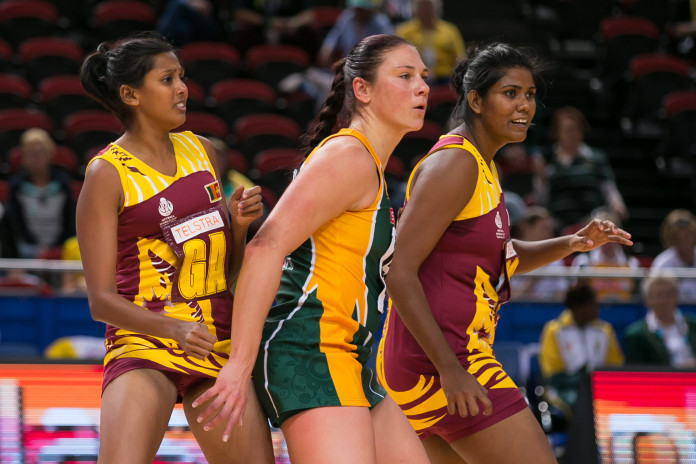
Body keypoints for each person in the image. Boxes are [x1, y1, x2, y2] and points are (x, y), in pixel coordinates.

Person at [375, 42, 633, 464]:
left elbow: (501, 256)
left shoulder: (480, 165)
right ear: (475, 100)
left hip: (433, 359)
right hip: (443, 359)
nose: (525, 106)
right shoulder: (455, 164)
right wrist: (450, 370)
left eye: (530, 95)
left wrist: (572, 243)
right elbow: (399, 272)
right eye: (510, 93)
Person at [194, 34, 432, 464]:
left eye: (423, 77)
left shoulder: (365, 163)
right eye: (404, 75)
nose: (422, 87)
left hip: (349, 351)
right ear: (362, 90)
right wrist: (239, 365)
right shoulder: (349, 157)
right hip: (308, 346)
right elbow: (265, 246)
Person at [76, 32, 274, 463]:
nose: (183, 88)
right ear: (130, 94)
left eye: (181, 77)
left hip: (216, 342)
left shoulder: (203, 151)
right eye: (167, 79)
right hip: (146, 344)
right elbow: (100, 301)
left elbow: (228, 274)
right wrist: (174, 329)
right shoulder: (106, 173)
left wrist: (237, 227)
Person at [532, 106, 628, 231]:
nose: (573, 134)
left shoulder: (595, 158)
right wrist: (541, 178)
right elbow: (541, 201)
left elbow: (609, 188)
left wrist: (617, 204)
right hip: (558, 221)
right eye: (568, 130)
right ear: (557, 133)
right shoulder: (547, 159)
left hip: (591, 218)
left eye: (577, 129)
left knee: (605, 221)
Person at [538, 283, 624, 412]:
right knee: (580, 404)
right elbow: (552, 373)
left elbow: (615, 365)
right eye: (592, 305)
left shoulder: (605, 330)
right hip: (566, 389)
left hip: (600, 388)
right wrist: (580, 378)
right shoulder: (554, 330)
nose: (597, 308)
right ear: (577, 307)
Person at [6, 128, 75, 259]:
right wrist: (36, 247)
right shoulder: (15, 186)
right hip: (27, 248)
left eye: (40, 153)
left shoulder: (63, 183)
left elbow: (69, 219)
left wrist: (58, 247)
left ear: (50, 154)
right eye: (31, 154)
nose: (36, 159)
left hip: (60, 245)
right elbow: (16, 225)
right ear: (24, 157)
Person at [624, 270, 696, 368]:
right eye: (659, 295)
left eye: (669, 294)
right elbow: (637, 373)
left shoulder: (693, 324)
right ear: (648, 300)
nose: (664, 300)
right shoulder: (636, 334)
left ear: (676, 297)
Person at [571, 208, 641, 302]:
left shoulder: (632, 263)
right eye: (600, 233)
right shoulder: (583, 263)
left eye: (610, 232)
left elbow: (637, 298)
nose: (606, 238)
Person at [395, 0, 465, 85]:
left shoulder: (449, 30)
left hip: (445, 79)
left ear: (436, 9)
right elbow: (397, 59)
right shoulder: (404, 31)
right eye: (422, 7)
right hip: (414, 78)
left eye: (428, 7)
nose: (426, 10)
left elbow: (459, 57)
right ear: (415, 9)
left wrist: (456, 78)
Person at [510, 206, 569, 301]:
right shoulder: (510, 256)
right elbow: (509, 299)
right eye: (544, 228)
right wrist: (534, 276)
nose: (548, 233)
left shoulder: (555, 258)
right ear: (527, 228)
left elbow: (561, 296)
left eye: (549, 229)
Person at [317, 0, 394, 67]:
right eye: (357, 9)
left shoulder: (381, 23)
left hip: (373, 67)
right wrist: (326, 50)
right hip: (349, 67)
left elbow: (390, 48)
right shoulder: (347, 17)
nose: (359, 12)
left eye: (362, 10)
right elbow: (333, 37)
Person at [651, 208, 696, 302]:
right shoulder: (661, 263)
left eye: (687, 236)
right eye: (677, 237)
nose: (683, 241)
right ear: (670, 239)